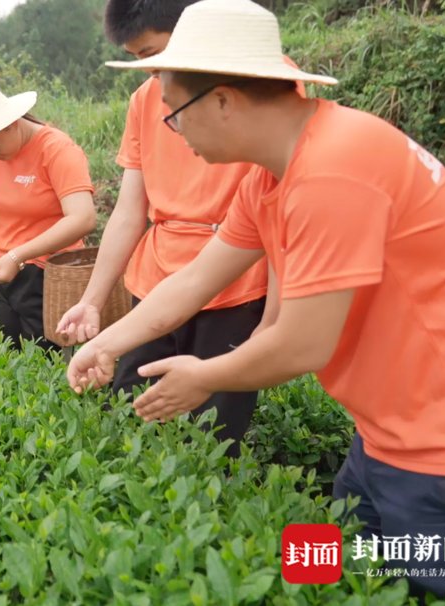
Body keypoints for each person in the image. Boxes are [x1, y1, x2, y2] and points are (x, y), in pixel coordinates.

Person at [68, 0, 445, 601]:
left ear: (222, 99)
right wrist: (105, 342)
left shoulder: (333, 171)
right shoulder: (271, 175)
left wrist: (204, 378)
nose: (172, 132)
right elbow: (195, 280)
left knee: (440, 588)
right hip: (383, 433)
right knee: (333, 568)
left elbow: (303, 342)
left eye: (174, 115)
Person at [56, 0, 305, 455]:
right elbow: (134, 215)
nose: (179, 133)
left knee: (212, 443)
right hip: (162, 281)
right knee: (134, 425)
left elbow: (302, 334)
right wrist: (98, 315)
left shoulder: (276, 96)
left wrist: (268, 324)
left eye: (153, 53)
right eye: (139, 60)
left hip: (236, 287)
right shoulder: (146, 99)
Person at [0, 82, 96, 349]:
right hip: (1, 268)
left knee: (50, 358)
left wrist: (19, 254)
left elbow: (82, 218)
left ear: (11, 123)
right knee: (9, 355)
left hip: (50, 273)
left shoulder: (55, 149)